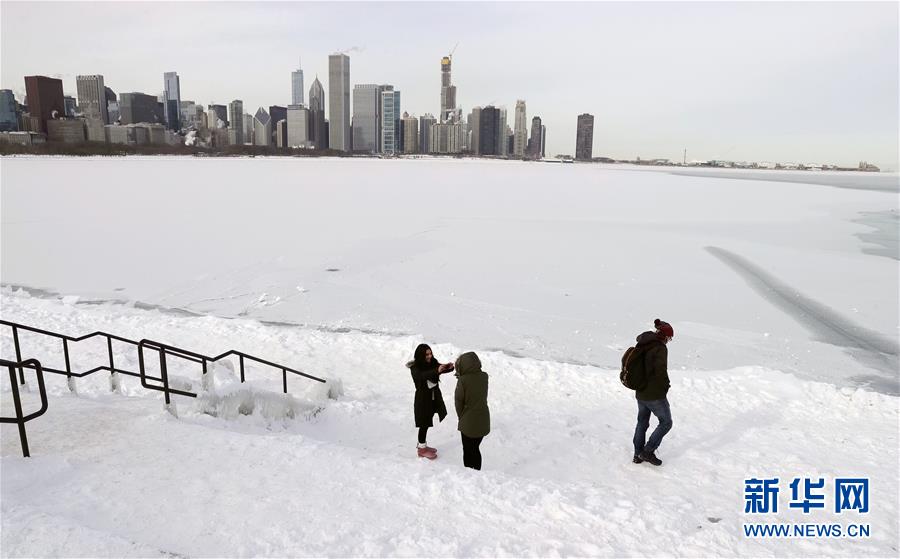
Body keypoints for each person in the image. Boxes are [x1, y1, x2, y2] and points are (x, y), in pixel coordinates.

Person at [632, 318, 674, 467]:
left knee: (642, 422)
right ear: (665, 336)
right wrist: (665, 387)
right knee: (666, 423)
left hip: (640, 391)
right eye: (669, 337)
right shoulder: (660, 348)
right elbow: (660, 371)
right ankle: (648, 451)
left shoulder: (643, 342)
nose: (669, 340)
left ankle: (637, 454)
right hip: (654, 394)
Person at [407, 343, 454, 459]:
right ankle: (421, 449)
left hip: (433, 398)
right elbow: (423, 375)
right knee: (424, 424)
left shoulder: (432, 362)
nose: (429, 356)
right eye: (426, 354)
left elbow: (439, 369)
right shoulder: (415, 368)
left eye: (430, 353)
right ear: (420, 355)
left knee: (427, 422)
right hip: (423, 399)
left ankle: (423, 445)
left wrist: (448, 367)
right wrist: (437, 370)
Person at [454, 352, 490, 470]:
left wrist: (461, 417)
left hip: (468, 422)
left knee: (468, 450)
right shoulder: (484, 376)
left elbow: (458, 401)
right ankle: (477, 473)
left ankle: (469, 474)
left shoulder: (463, 380)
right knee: (475, 448)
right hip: (484, 419)